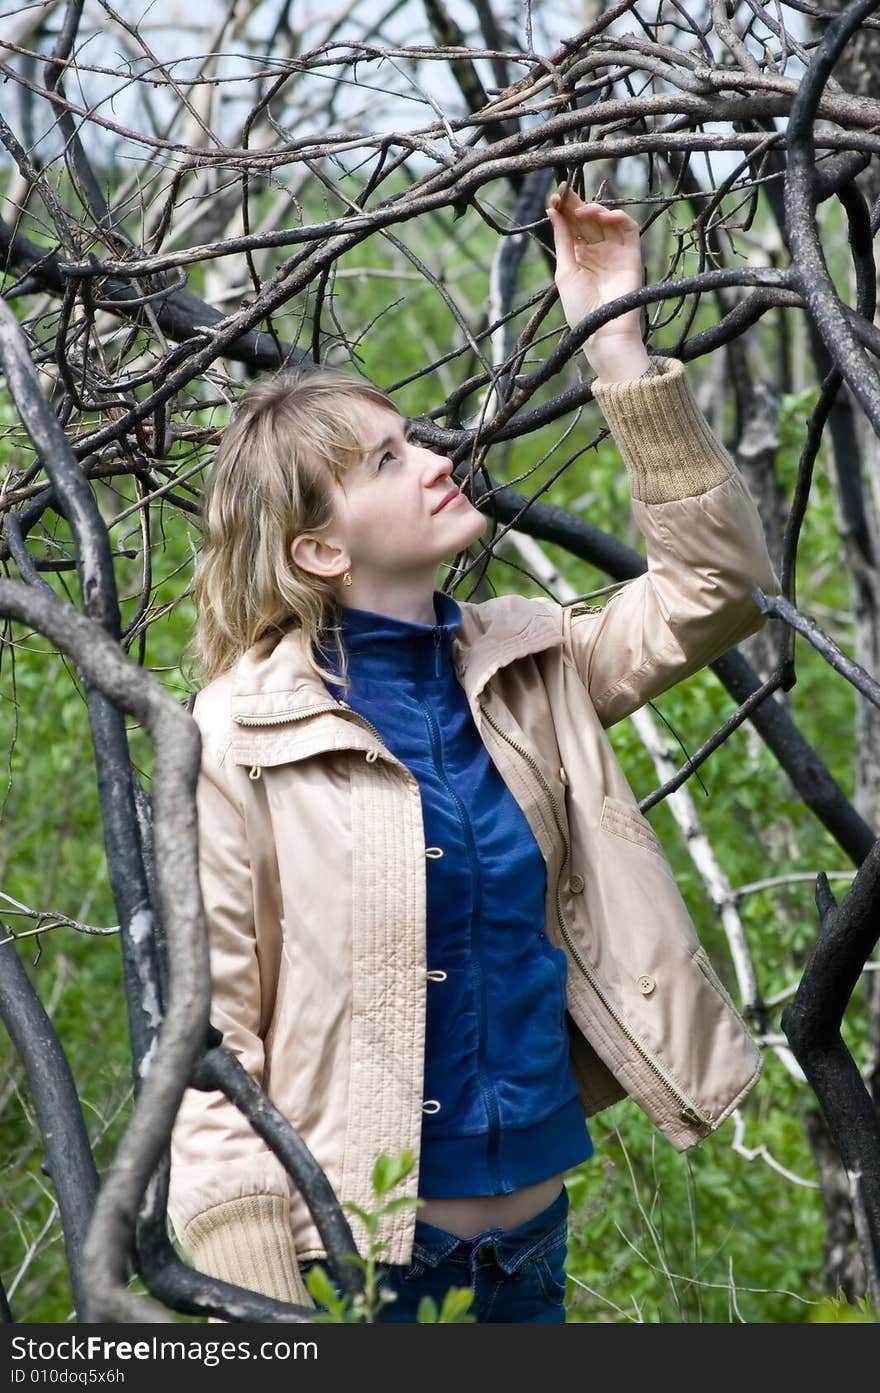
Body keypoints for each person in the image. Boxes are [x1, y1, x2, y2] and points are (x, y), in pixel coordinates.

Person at [168, 182, 781, 1323]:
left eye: (413, 436)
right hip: (357, 1270)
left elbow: (720, 587)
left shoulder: (529, 664)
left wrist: (614, 338)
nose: (434, 458)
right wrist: (251, 1291)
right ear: (317, 548)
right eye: (386, 460)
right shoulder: (238, 735)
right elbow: (210, 1035)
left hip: (531, 1250)